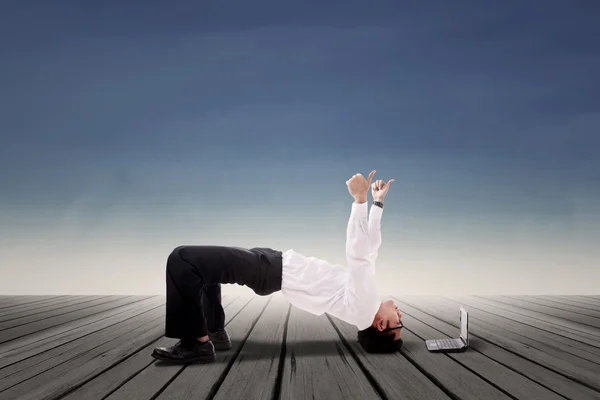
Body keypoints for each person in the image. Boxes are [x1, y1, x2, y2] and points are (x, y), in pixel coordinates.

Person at [152, 170, 403, 364]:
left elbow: (359, 256)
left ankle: (197, 344)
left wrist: (360, 201)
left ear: (381, 326)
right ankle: (214, 331)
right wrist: (377, 204)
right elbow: (369, 252)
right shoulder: (365, 305)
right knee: (206, 268)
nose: (401, 315)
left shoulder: (365, 308)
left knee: (182, 259)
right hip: (271, 267)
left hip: (269, 270)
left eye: (398, 323)